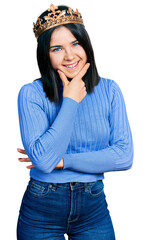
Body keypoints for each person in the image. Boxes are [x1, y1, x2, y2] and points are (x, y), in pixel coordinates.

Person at [17, 3, 133, 240]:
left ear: (86, 45)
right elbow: (44, 161)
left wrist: (63, 161)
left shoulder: (109, 90)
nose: (70, 55)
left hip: (93, 208)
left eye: (75, 43)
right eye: (57, 48)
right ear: (45, 55)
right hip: (42, 208)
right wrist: (70, 100)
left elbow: (124, 156)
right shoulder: (31, 93)